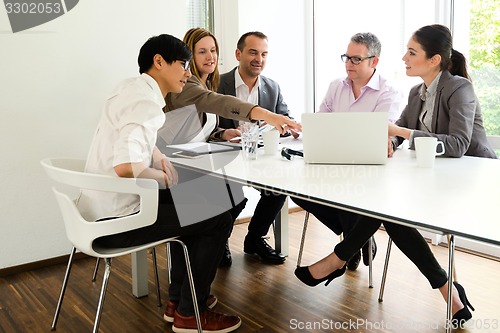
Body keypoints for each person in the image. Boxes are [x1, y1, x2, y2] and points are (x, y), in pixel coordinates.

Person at [295, 24, 496, 328]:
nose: (403, 57)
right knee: (388, 209)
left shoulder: (459, 89)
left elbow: (457, 145)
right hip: (434, 178)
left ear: (434, 60)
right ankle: (447, 291)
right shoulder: (418, 92)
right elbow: (400, 133)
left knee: (388, 209)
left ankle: (339, 258)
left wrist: (398, 132)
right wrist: (391, 142)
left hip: (472, 181)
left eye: (412, 52)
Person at [77, 34, 242, 333]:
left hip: (96, 210)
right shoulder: (147, 102)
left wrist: (156, 155)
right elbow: (126, 166)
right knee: (216, 217)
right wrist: (163, 177)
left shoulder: (130, 88)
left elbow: (128, 137)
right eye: (183, 64)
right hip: (118, 221)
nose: (188, 73)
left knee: (205, 201)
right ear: (158, 62)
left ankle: (179, 301)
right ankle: (190, 314)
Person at [291, 32, 404, 271]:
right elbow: (321, 122)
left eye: (356, 59)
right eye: (346, 57)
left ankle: (351, 242)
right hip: (333, 163)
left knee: (352, 194)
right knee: (296, 191)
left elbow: (383, 133)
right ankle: (357, 237)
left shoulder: (388, 92)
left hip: (368, 170)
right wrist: (305, 130)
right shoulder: (336, 87)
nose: (348, 64)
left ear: (374, 61)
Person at [217, 31, 291, 265]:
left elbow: (285, 117)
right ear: (238, 54)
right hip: (225, 158)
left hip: (261, 159)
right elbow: (207, 125)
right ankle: (219, 241)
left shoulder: (273, 87)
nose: (259, 58)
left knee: (278, 188)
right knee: (229, 194)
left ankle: (255, 238)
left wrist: (286, 127)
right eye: (253, 52)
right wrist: (223, 135)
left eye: (264, 54)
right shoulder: (218, 84)